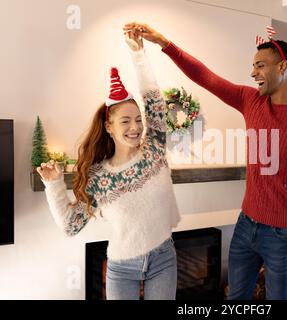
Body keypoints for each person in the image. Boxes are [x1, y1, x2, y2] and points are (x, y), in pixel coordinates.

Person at [123, 22, 287, 300]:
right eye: (253, 66)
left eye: (260, 65)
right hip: (245, 225)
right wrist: (164, 43)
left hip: (283, 234)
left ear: (282, 67)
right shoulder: (251, 100)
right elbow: (205, 77)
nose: (253, 73)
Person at [37, 31, 180, 300]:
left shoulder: (154, 150)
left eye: (138, 119)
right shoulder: (100, 178)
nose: (135, 127)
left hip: (164, 259)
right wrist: (54, 184)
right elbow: (70, 226)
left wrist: (139, 54)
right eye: (125, 121)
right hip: (122, 268)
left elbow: (155, 104)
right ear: (109, 127)